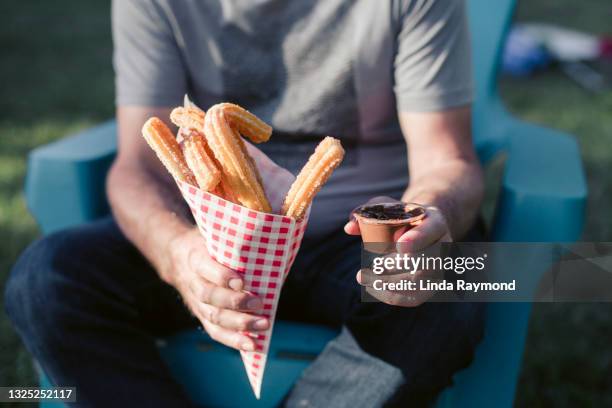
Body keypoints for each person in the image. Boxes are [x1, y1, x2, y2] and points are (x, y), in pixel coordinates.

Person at [5, 0, 485, 406]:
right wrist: (178, 254)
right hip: (211, 242)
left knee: (449, 290)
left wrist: (419, 219)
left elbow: (448, 159)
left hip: (353, 236)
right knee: (47, 280)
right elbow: (139, 164)